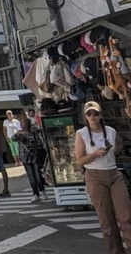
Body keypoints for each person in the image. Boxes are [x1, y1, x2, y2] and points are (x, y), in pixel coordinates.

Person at [75, 101, 131, 254]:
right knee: (106, 220)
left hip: (114, 174)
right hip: (95, 176)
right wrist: (95, 155)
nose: (93, 116)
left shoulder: (110, 131)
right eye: (89, 113)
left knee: (126, 215)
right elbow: (80, 159)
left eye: (96, 113)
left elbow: (119, 144)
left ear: (100, 115)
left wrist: (112, 151)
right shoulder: (82, 134)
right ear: (85, 116)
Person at [12, 118, 46, 203]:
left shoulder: (33, 133)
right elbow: (13, 138)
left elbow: (39, 143)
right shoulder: (19, 133)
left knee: (37, 175)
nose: (23, 124)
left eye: (24, 123)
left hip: (34, 156)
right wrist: (19, 134)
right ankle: (35, 193)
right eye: (22, 123)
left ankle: (42, 190)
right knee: (31, 176)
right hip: (25, 157)